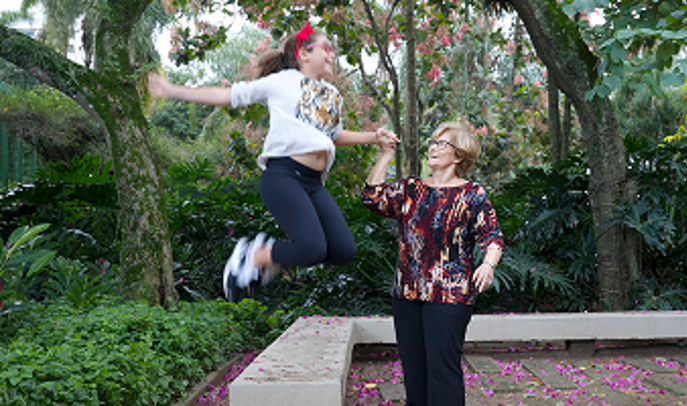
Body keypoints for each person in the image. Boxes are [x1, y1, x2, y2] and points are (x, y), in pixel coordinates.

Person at [148, 22, 398, 301]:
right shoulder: (282, 81)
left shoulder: (332, 94)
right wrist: (172, 90)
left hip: (314, 184)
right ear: (304, 53)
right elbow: (228, 95)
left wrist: (374, 137)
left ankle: (267, 258)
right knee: (311, 249)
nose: (332, 54)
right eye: (326, 48)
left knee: (342, 250)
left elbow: (334, 135)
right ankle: (252, 256)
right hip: (284, 176)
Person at [362, 122, 504, 406]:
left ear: (459, 155)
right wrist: (386, 154)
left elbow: (492, 236)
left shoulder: (472, 194)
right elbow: (372, 198)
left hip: (450, 295)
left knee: (442, 370)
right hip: (407, 294)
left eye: (442, 143)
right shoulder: (411, 189)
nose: (433, 148)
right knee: (414, 371)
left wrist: (488, 265)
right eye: (433, 142)